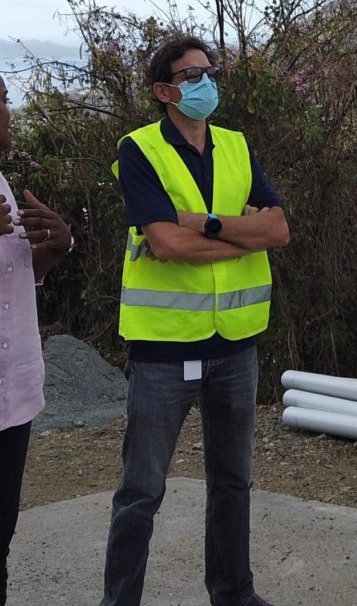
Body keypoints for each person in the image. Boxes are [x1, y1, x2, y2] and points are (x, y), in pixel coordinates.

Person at [100, 36, 289, 606]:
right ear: (164, 91)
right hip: (164, 347)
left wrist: (202, 223)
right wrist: (240, 233)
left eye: (211, 72)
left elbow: (278, 230)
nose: (206, 83)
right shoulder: (138, 149)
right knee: (141, 490)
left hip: (236, 344)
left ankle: (235, 594)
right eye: (192, 76)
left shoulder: (236, 146)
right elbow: (164, 244)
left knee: (233, 482)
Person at [0, 75, 72, 605]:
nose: (8, 110)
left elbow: (19, 276)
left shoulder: (2, 183)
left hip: (12, 394)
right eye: (2, 100)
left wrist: (55, 245)